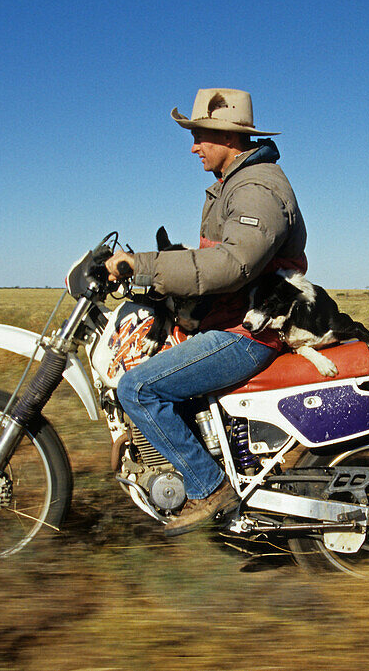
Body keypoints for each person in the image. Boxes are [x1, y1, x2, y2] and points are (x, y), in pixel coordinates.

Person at [105, 88, 307, 535]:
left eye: (199, 135)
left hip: (249, 332)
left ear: (227, 138)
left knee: (138, 389)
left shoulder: (256, 189)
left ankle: (208, 488)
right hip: (235, 319)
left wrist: (143, 264)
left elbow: (230, 264)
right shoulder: (231, 186)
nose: (193, 146)